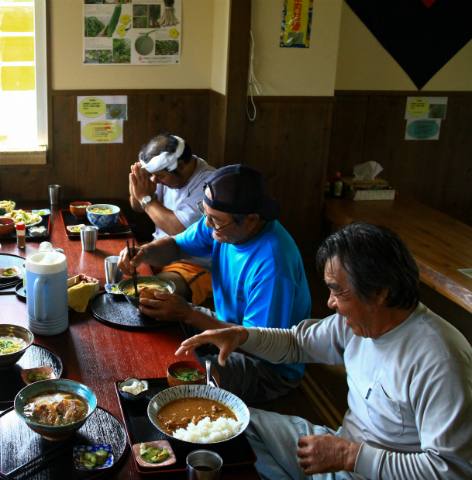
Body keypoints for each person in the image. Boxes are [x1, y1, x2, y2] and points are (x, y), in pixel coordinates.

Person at [177, 222, 472, 480]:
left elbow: (452, 470)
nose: (330, 302)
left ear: (380, 292)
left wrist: (351, 457)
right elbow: (296, 343)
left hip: (364, 464)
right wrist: (241, 335)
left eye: (338, 291)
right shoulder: (358, 320)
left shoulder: (441, 360)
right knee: (232, 425)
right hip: (342, 449)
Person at [120, 164, 310, 403]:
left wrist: (188, 314)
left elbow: (254, 345)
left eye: (214, 220)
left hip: (265, 365)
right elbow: (177, 245)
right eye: (205, 213)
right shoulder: (222, 221)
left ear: (251, 220)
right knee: (151, 311)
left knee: (186, 378)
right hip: (226, 326)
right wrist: (144, 253)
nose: (207, 224)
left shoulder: (273, 265)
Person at [129, 133, 216, 305]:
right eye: (153, 175)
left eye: (159, 176)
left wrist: (146, 198)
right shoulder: (166, 176)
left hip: (193, 265)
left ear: (181, 165)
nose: (156, 180)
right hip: (159, 252)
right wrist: (137, 188)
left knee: (144, 294)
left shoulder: (209, 184)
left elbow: (180, 230)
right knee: (117, 279)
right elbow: (137, 207)